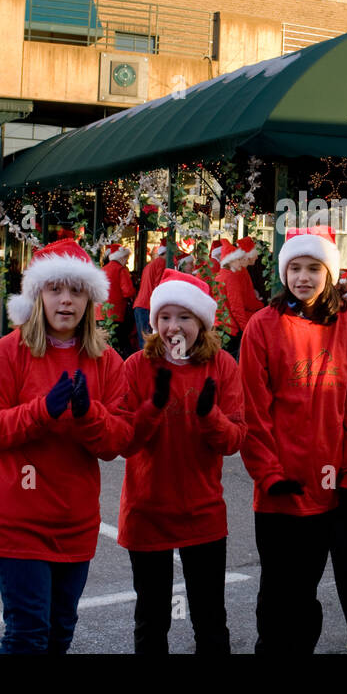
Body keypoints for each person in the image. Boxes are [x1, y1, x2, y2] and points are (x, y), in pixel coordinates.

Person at [0, 238, 133, 653]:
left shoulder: (107, 361)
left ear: (90, 300)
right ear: (37, 295)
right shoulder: (8, 353)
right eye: (55, 289)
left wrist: (88, 415)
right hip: (16, 521)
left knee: (61, 630)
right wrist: (42, 411)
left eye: (76, 291)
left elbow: (118, 441)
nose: (66, 301)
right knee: (28, 634)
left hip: (75, 521)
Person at [238, 225, 347, 652]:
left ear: (329, 273)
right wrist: (268, 473)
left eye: (313, 268)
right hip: (280, 488)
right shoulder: (262, 326)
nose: (303, 277)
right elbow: (253, 411)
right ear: (284, 273)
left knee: (308, 586)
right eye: (295, 267)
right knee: (279, 586)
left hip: (330, 485)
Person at [115, 270, 245, 654]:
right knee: (152, 619)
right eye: (166, 317)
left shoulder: (222, 365)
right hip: (147, 511)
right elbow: (124, 442)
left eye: (184, 317)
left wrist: (210, 417)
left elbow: (235, 440)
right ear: (154, 323)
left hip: (202, 513)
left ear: (201, 324)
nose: (174, 326)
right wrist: (152, 408)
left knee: (210, 619)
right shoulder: (136, 366)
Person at [220, 238, 265, 358]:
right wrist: (246, 329)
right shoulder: (231, 277)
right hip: (230, 329)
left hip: (224, 326)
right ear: (231, 260)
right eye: (239, 259)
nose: (241, 262)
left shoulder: (223, 274)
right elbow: (236, 306)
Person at [98, 242, 137, 357]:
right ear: (121, 258)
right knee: (120, 343)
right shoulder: (121, 270)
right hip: (116, 313)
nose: (127, 261)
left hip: (100, 313)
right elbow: (128, 291)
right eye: (126, 258)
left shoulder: (103, 269)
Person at [131, 240, 169, 348]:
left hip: (140, 304)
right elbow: (159, 286)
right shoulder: (162, 263)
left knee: (143, 341)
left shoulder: (150, 265)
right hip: (148, 306)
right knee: (148, 343)